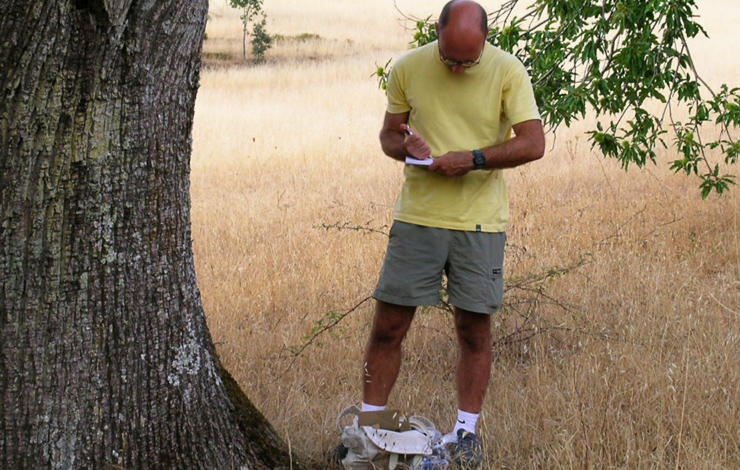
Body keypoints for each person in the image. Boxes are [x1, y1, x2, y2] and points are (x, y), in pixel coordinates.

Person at [336, 1, 545, 468]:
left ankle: (465, 435)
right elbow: (389, 136)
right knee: (389, 325)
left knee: (474, 328)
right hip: (418, 217)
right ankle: (371, 430)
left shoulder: (508, 70)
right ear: (437, 31)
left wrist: (471, 159)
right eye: (449, 58)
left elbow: (533, 142)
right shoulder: (408, 67)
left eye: (467, 62)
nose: (456, 68)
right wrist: (405, 146)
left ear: (485, 41)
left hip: (479, 222)